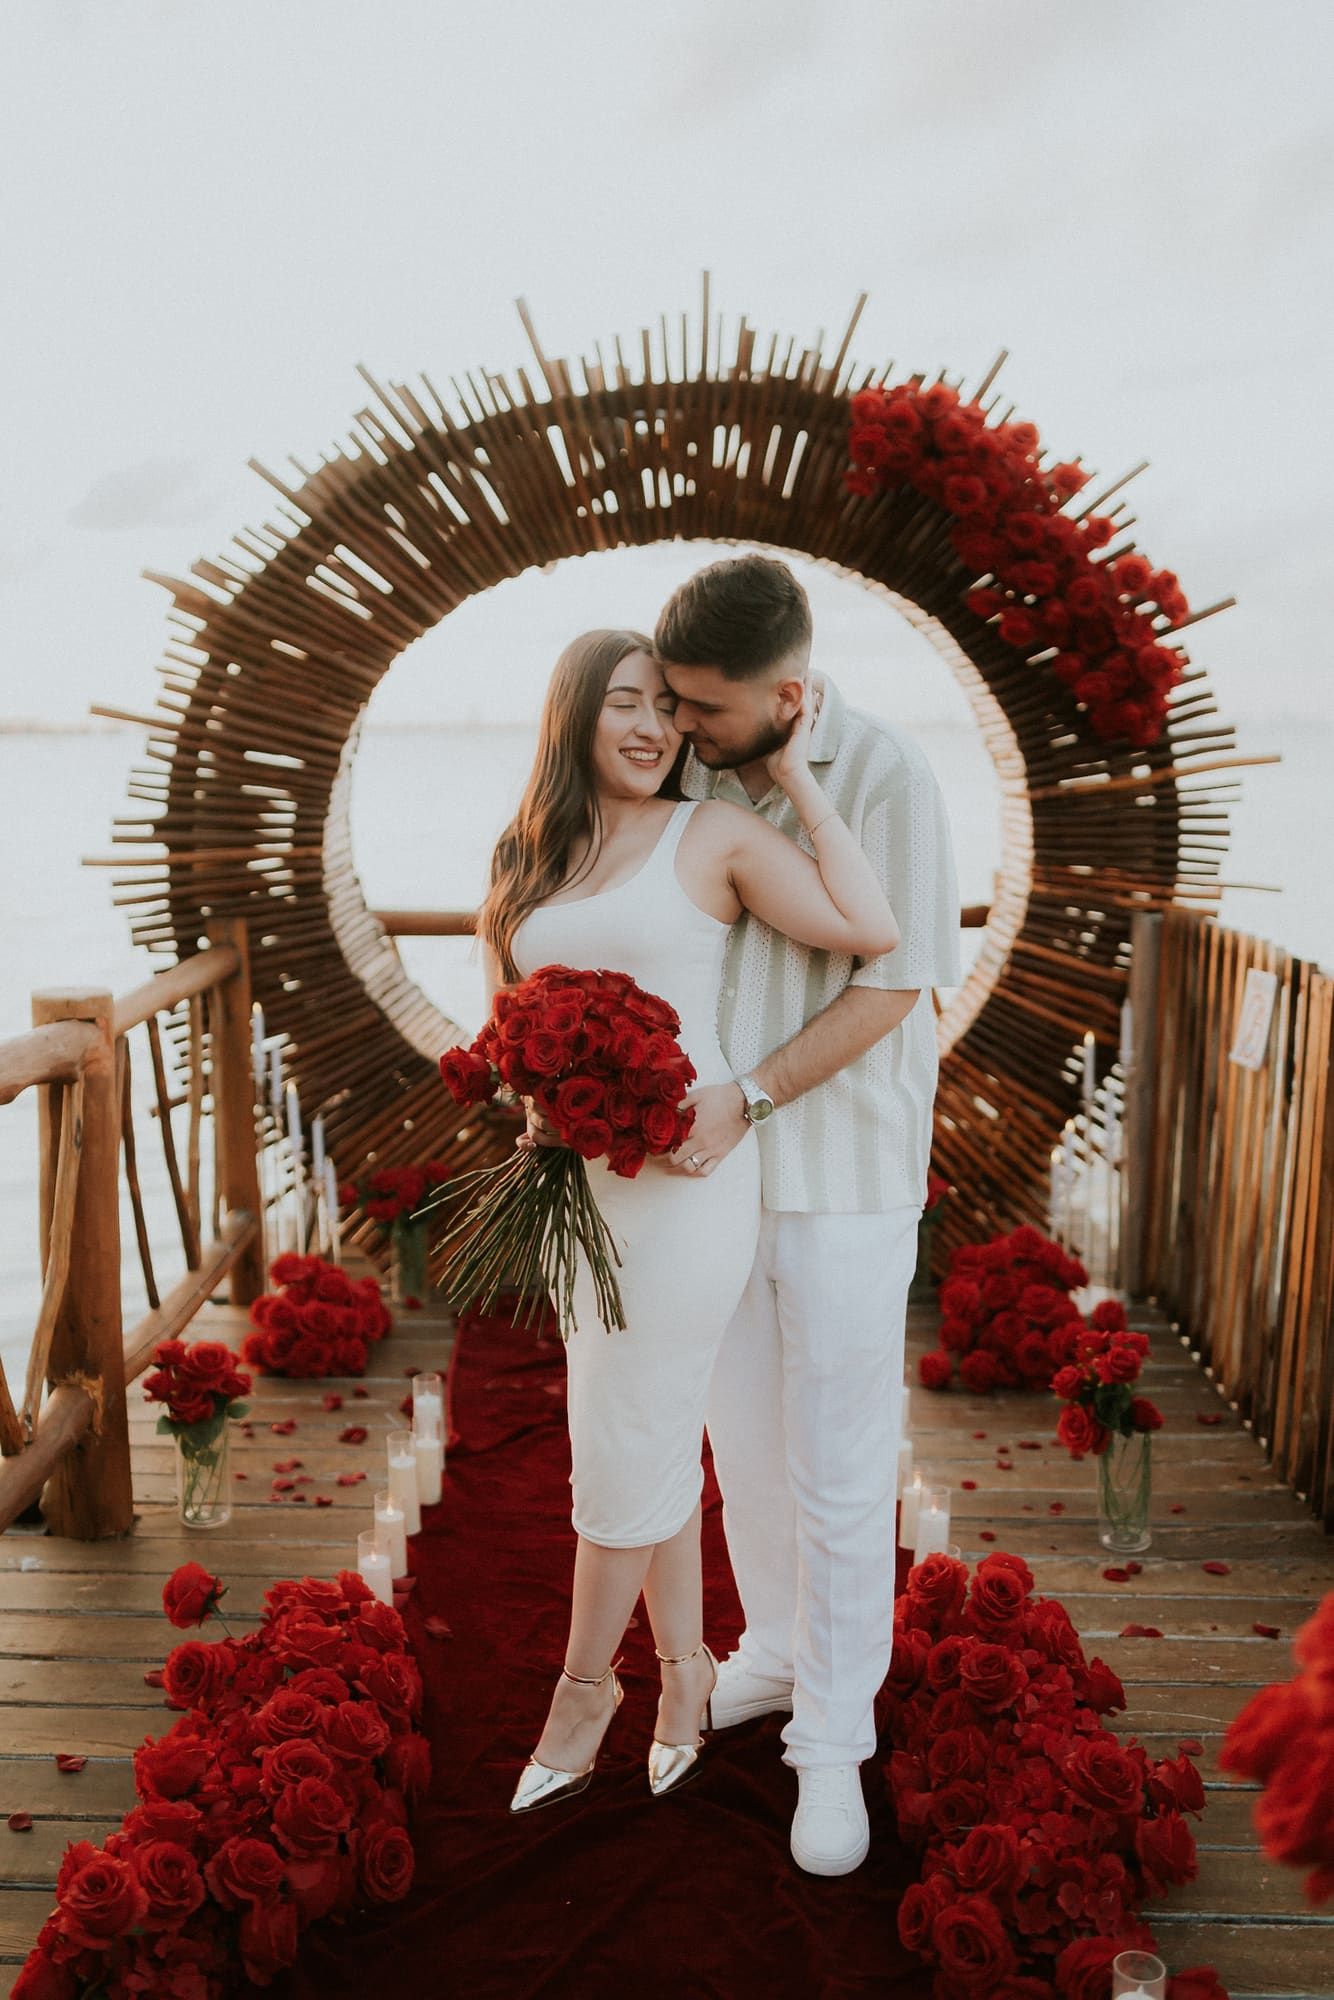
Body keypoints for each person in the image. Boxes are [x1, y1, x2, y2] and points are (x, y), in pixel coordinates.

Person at [474, 626, 899, 1814]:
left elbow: (867, 929)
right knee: (638, 1431)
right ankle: (680, 1674)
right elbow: (507, 1011)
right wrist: (532, 1101)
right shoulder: (529, 852)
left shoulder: (711, 833)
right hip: (578, 1190)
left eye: (667, 705)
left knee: (624, 1436)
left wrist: (800, 778)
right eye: (624, 701)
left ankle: (578, 1692)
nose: (653, 725)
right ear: (574, 716)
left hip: (691, 1182)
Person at [653, 553, 961, 1877]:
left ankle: (831, 1742)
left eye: (704, 710)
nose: (681, 729)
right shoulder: (687, 771)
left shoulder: (888, 776)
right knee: (740, 1439)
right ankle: (773, 1649)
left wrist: (752, 1096)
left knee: (839, 1467)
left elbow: (897, 985)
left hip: (840, 1170)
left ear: (788, 690)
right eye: (670, 702)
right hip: (710, 1179)